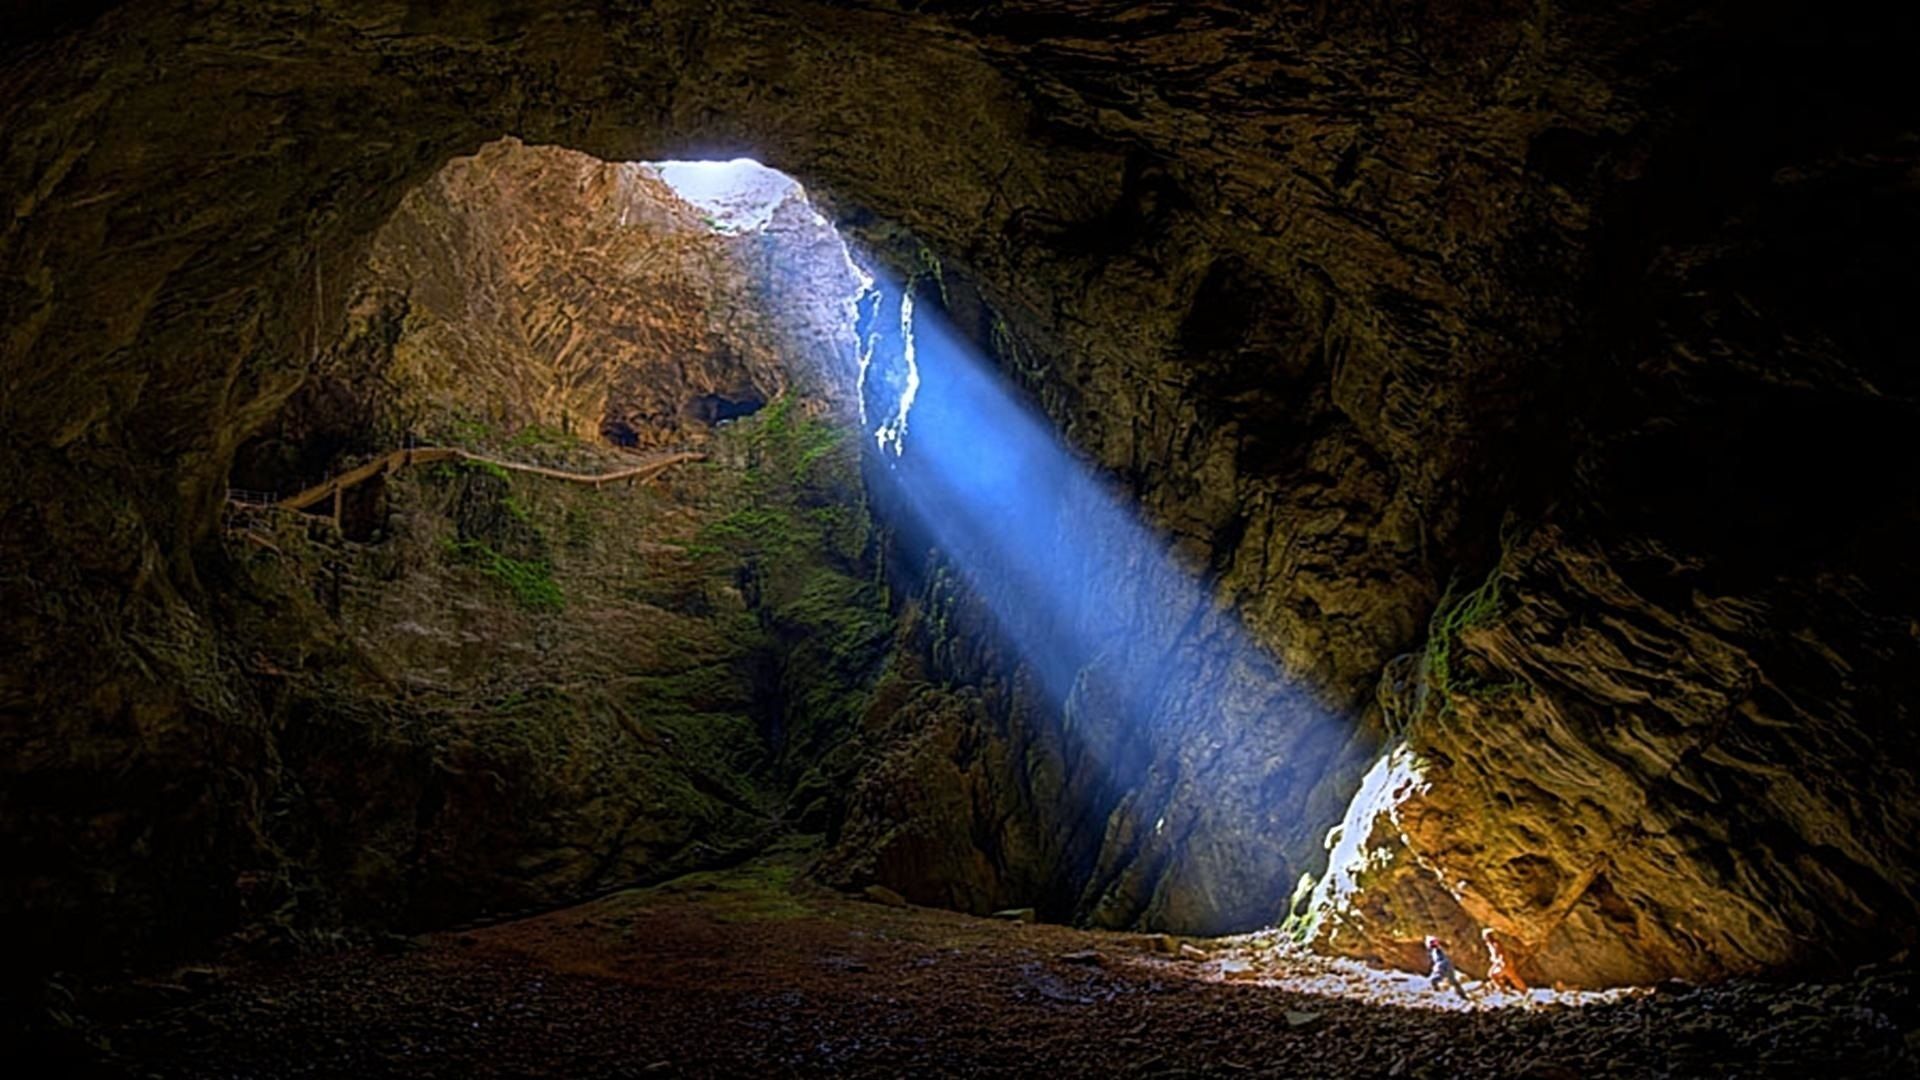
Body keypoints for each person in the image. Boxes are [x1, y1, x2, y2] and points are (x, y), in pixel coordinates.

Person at [1425, 935, 1475, 1000]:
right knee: (1454, 981)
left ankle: (1436, 990)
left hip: (1442, 965)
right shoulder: (1437, 950)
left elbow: (1438, 959)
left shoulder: (1436, 950)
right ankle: (1463, 996)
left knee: (1435, 979)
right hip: (1448, 965)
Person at [1482, 927, 1528, 994]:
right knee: (1510, 976)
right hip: (1501, 963)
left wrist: (1502, 961)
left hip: (1503, 963)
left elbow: (1501, 953)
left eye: (1486, 937)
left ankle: (1522, 991)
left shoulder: (1495, 944)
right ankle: (1521, 991)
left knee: (1512, 977)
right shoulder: (1491, 944)